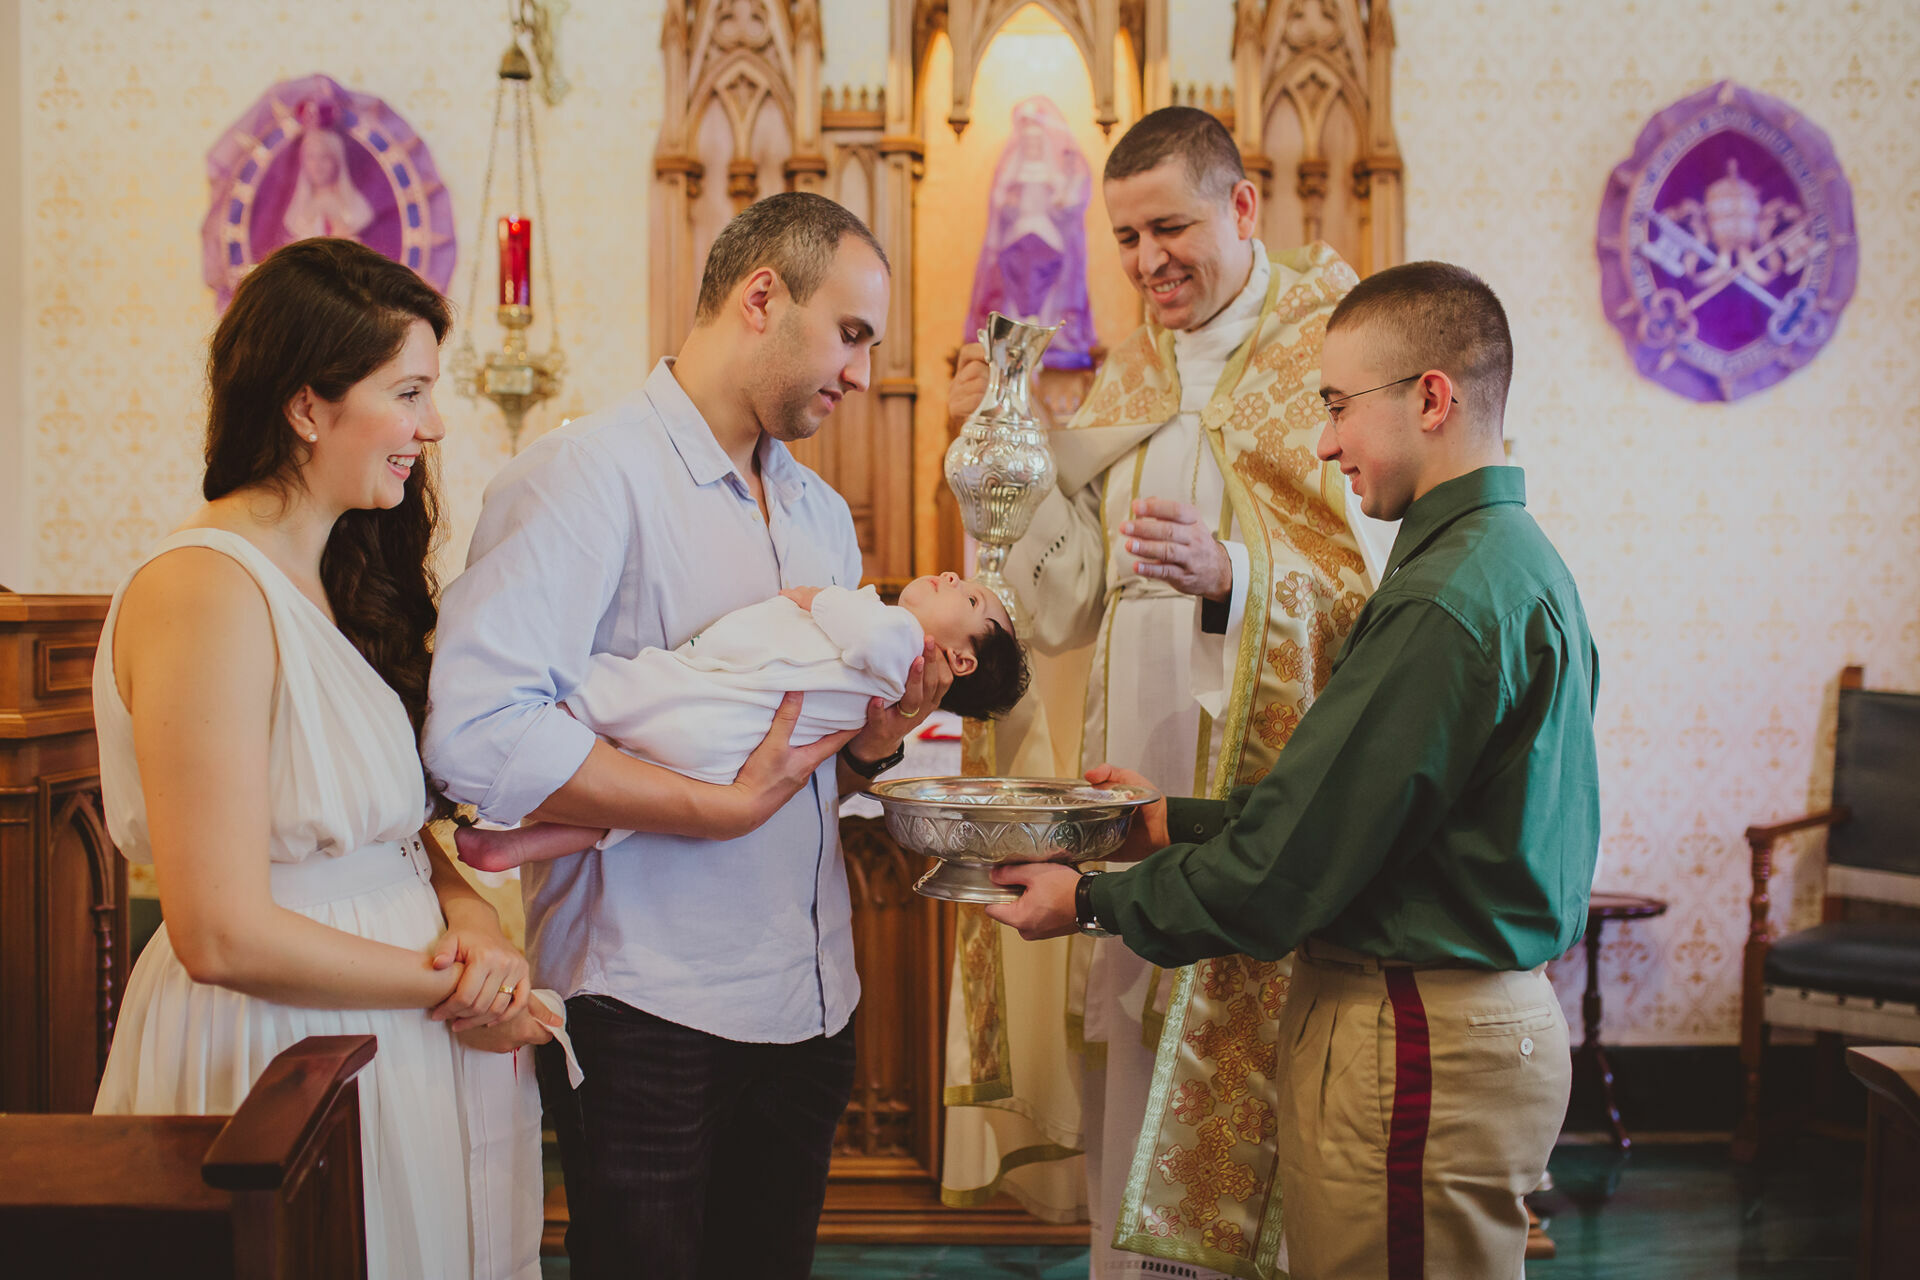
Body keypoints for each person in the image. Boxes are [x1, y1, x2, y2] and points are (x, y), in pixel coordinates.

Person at [988, 261, 1602, 1280]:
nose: (1323, 440)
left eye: (1338, 407)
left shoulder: (1447, 597)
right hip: (1447, 1016)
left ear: (1433, 398)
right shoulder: (1500, 557)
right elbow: (1355, 804)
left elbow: (1291, 865)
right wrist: (1166, 820)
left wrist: (1091, 900)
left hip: (1417, 1030)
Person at [422, 192, 941, 1280]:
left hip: (809, 996)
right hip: (649, 1004)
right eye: (851, 335)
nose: (860, 371)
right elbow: (477, 730)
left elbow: (810, 754)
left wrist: (883, 736)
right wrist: (712, 807)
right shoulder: (583, 478)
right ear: (763, 297)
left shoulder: (819, 514)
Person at [942, 105, 1396, 1277]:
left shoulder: (1340, 349)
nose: (1148, 265)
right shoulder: (1134, 368)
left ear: (1243, 207)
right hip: (1130, 785)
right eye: (1127, 238)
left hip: (1254, 804)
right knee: (1135, 1064)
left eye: (1172, 228)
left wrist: (1233, 575)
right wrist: (1000, 463)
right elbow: (1067, 599)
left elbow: (1384, 596)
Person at [91, 237, 561, 1280]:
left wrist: (471, 917)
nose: (432, 426)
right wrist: (449, 990)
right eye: (408, 392)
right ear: (309, 405)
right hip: (275, 1045)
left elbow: (389, 833)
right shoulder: (203, 589)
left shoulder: (332, 580)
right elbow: (216, 929)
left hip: (382, 1028)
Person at [453, 573, 1028, 872]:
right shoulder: (888, 676)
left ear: (961, 661)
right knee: (633, 818)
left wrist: (818, 598)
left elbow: (871, 629)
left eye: (972, 600)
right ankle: (517, 849)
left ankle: (519, 729)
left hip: (711, 706)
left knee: (610, 686)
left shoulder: (900, 635)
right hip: (729, 759)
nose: (954, 577)